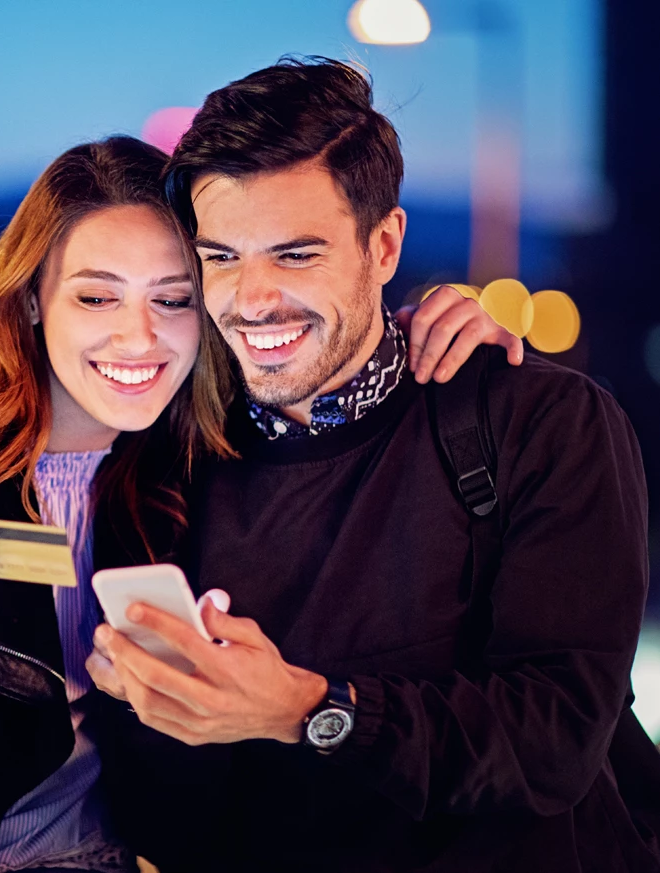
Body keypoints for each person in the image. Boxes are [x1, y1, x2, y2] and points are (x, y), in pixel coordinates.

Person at [0, 136, 517, 873]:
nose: (138, 339)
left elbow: (329, 367)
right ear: (31, 298)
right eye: (96, 298)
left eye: (172, 299)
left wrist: (424, 325)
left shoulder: (201, 444)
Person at [87, 57, 656, 872]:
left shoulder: (535, 422)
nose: (249, 300)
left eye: (293, 255)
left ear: (383, 245)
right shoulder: (166, 468)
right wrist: (156, 712)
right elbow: (172, 826)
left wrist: (309, 709)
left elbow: (554, 738)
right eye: (220, 257)